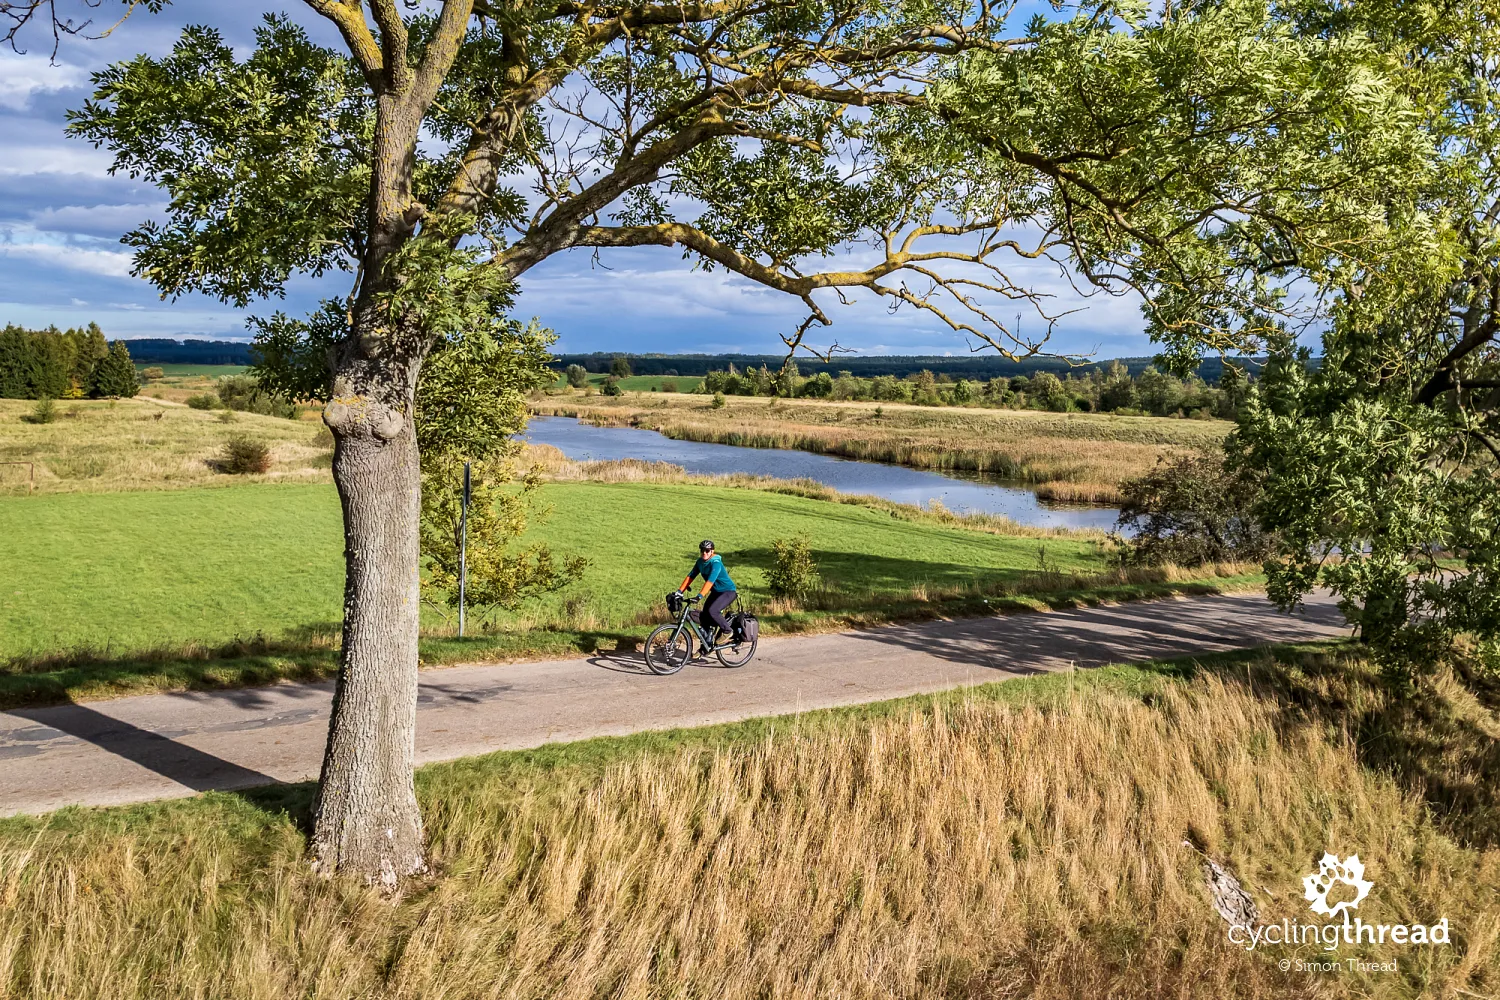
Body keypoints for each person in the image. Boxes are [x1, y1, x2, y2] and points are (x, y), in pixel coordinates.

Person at [679, 539, 737, 644]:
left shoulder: (716, 563)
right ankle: (706, 646)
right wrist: (679, 591)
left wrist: (700, 596)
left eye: (707, 550)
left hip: (728, 592)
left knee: (713, 611)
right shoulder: (700, 562)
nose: (704, 553)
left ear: (712, 551)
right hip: (715, 592)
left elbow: (710, 581)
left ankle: (727, 630)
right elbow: (690, 576)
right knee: (705, 615)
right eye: (702, 550)